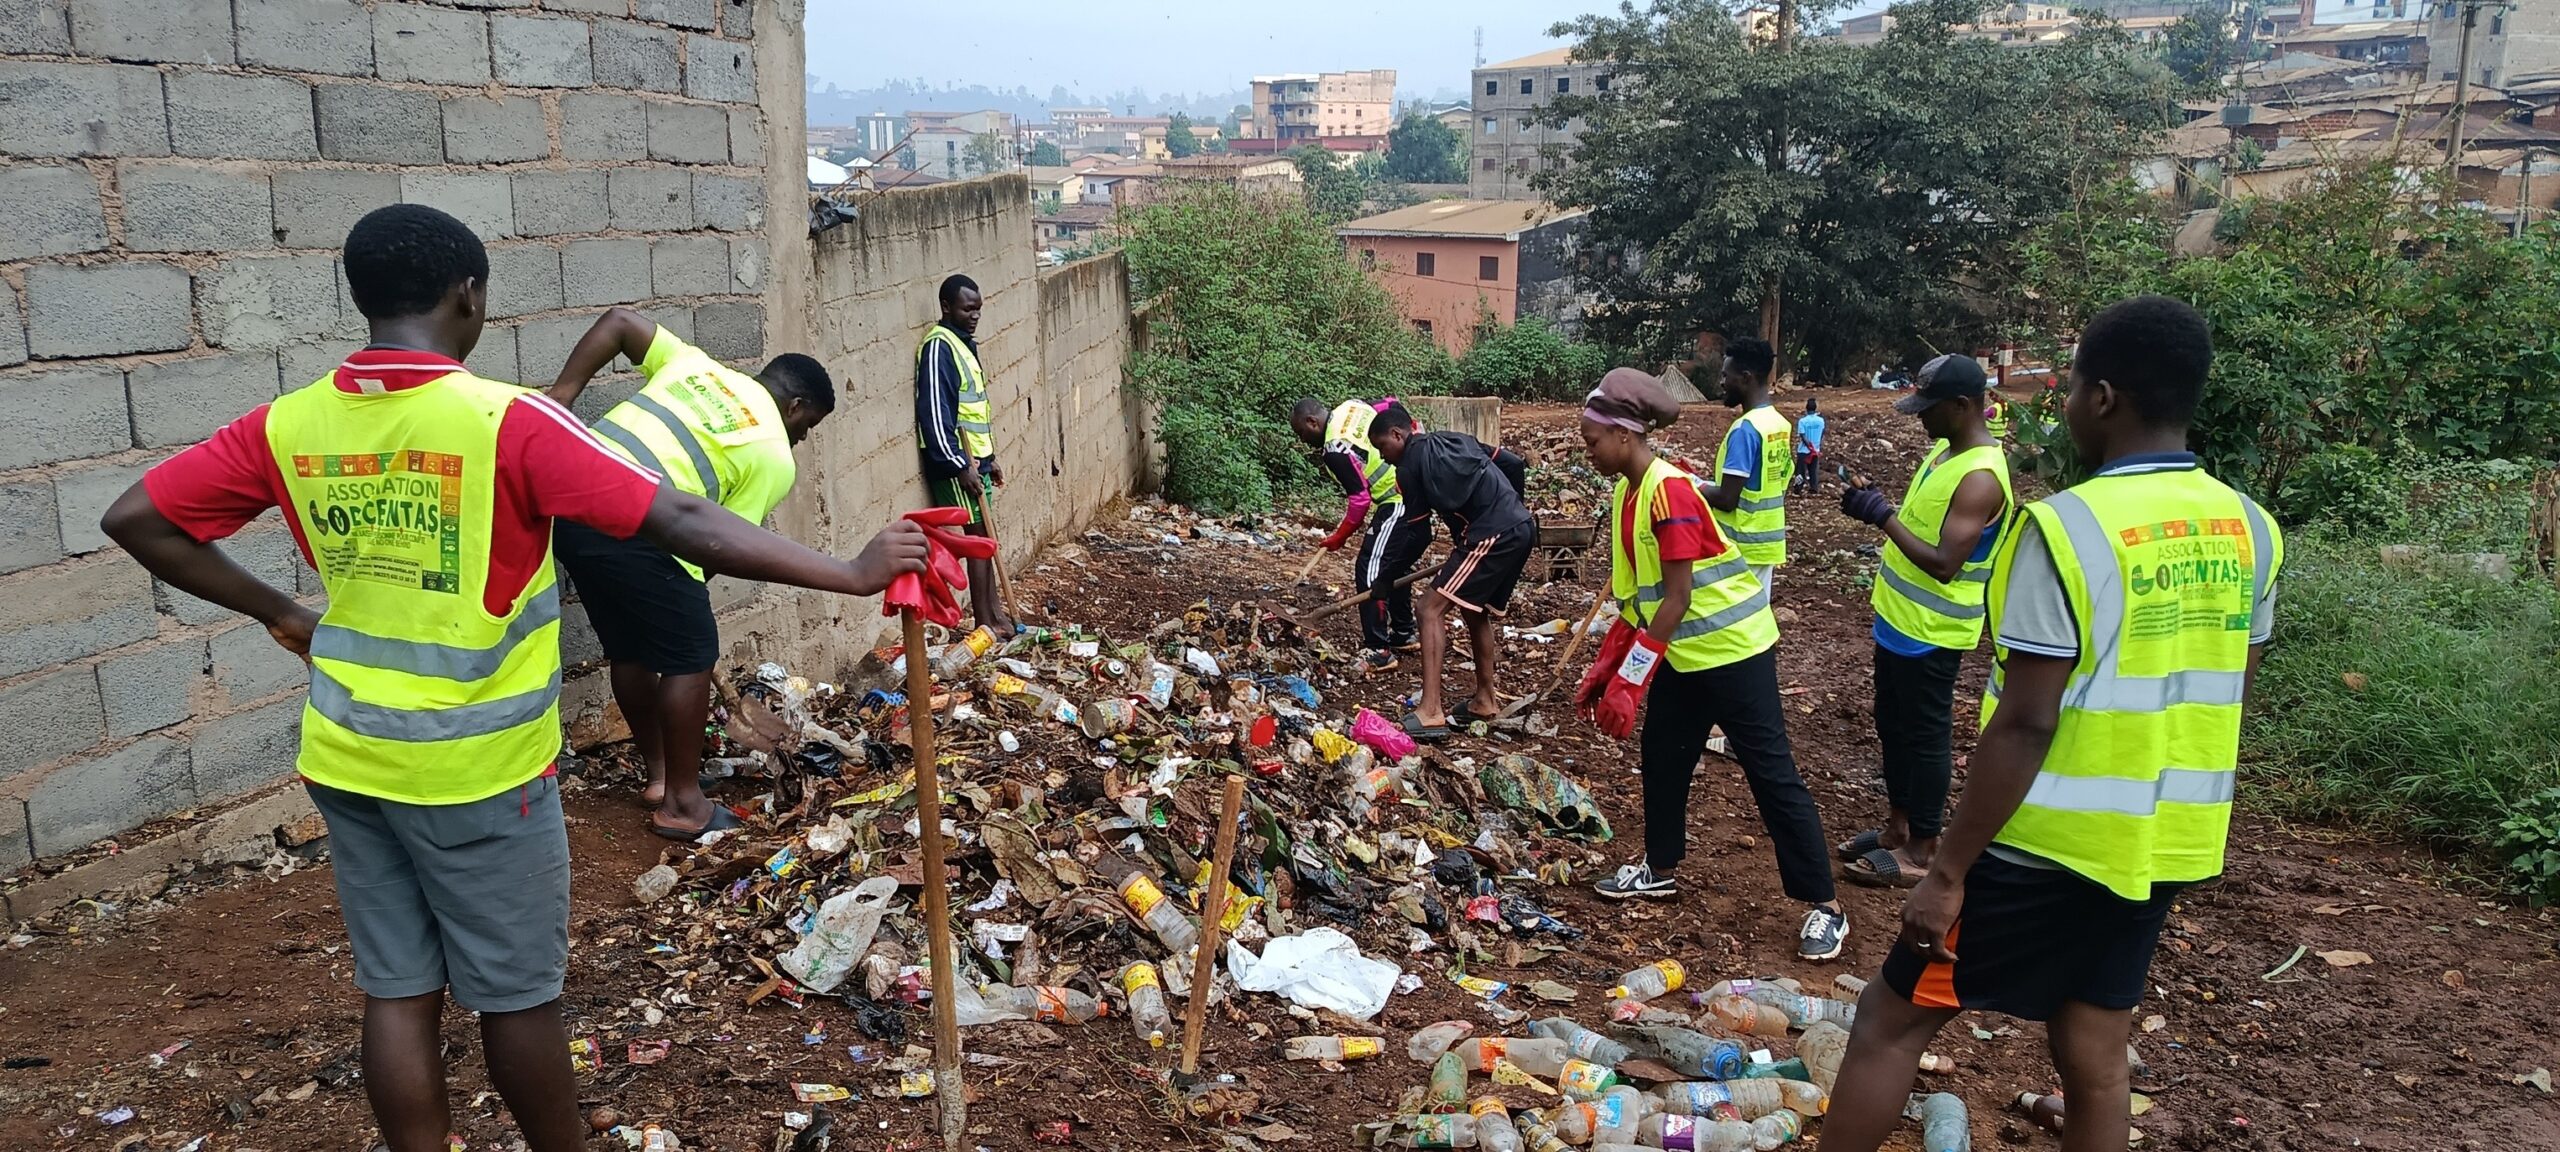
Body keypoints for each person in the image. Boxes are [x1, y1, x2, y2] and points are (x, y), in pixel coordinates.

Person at [97, 204, 931, 1152]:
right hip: (480, 768)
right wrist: (851, 571)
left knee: (398, 994)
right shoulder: (503, 421)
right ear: (470, 295)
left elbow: (137, 518)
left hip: (348, 754)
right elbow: (681, 520)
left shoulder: (290, 423)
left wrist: (281, 613)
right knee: (518, 999)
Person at [1820, 296, 2282, 1152]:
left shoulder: (2065, 530)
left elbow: (2027, 723)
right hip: (2161, 842)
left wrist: (1947, 872)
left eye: (2069, 388)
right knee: (2095, 1053)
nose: (2064, 404)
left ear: (2102, 398)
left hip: (2042, 844)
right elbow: (2229, 688)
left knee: (1889, 1019)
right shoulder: (2251, 527)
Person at [1572, 368, 1850, 960]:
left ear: (1625, 435)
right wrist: (1607, 665)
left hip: (1734, 650)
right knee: (1664, 756)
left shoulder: (1669, 491)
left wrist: (1631, 680)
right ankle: (1659, 867)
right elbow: (1639, 598)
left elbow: (1677, 598)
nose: (1587, 451)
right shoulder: (1628, 492)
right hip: (1683, 652)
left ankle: (1826, 906)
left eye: (1592, 441)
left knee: (1770, 771)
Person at [541, 308, 835, 838]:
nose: (803, 439)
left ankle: (661, 778)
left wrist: (561, 398)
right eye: (808, 427)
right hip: (637, 525)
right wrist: (687, 604)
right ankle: (683, 805)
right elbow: (720, 543)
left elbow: (620, 322)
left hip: (570, 505)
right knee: (690, 657)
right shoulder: (774, 455)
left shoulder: (698, 367)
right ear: (795, 406)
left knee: (631, 652)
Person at [1834, 354, 2014, 887]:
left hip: (1933, 633)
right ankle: (1898, 826)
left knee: (1926, 736)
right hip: (1898, 621)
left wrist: (1881, 515)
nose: (1920, 417)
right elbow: (1922, 521)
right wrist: (1878, 504)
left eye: (1928, 408)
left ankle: (1922, 847)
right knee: (1893, 725)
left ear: (1961, 406)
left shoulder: (1980, 478)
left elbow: (1943, 563)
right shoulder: (1944, 452)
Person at [1369, 407, 1537, 739]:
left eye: (1382, 447)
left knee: (1428, 609)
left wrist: (1386, 578)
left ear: (1398, 435)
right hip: (1521, 527)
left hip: (1491, 534)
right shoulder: (1455, 439)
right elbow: (1513, 464)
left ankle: (1431, 711)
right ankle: (1485, 700)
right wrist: (1514, 509)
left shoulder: (1409, 468)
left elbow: (1419, 535)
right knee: (1474, 610)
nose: (1383, 457)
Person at [1292, 396, 1431, 673]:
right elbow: (1391, 404)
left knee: (1369, 568)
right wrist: (1412, 434)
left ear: (1312, 422)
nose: (1302, 440)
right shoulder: (1351, 407)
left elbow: (1360, 501)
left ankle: (1378, 649)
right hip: (1410, 491)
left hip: (1396, 499)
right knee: (1395, 563)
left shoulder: (1334, 448)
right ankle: (1403, 633)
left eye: (1301, 432)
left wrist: (1339, 537)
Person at [916, 272, 1011, 632]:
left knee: (985, 537)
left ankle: (997, 615)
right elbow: (935, 412)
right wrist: (959, 465)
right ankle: (985, 621)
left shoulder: (964, 343)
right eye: (967, 309)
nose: (975, 316)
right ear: (946, 307)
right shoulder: (938, 347)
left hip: (977, 461)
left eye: (978, 309)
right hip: (956, 463)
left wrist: (990, 459)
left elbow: (975, 410)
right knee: (977, 539)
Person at [1707, 336, 1793, 588]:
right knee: (1758, 609)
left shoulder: (1745, 430)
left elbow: (1727, 499)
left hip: (1741, 547)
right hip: (1766, 544)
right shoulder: (1778, 424)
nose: (1722, 383)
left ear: (1746, 378)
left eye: (1726, 376)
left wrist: (1690, 484)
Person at [1793, 397, 1827, 494]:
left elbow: (1803, 436)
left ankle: (1798, 489)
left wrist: (1809, 446)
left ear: (1806, 408)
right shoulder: (1821, 421)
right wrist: (1815, 446)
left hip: (1804, 450)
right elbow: (1822, 433)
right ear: (1815, 408)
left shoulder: (1803, 421)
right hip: (1816, 450)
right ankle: (1814, 488)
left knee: (1800, 471)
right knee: (1813, 470)